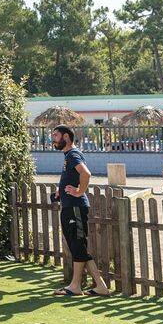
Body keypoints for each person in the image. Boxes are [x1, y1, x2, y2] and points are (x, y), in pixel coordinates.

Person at [50, 125, 111, 297]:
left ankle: (75, 286)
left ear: (67, 137)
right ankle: (100, 286)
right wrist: (61, 191)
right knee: (80, 248)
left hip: (75, 207)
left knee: (78, 246)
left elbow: (86, 174)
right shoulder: (68, 156)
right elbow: (75, 177)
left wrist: (79, 191)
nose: (53, 138)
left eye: (56, 135)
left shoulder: (73, 154)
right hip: (70, 206)